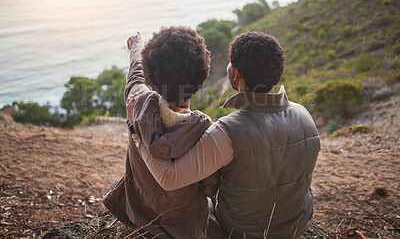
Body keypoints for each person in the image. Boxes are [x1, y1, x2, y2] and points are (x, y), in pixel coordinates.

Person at [133, 31, 321, 238]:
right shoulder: (304, 114)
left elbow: (169, 178)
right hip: (298, 224)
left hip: (241, 231)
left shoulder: (228, 131)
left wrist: (138, 138)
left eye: (230, 64)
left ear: (236, 74)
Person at [103, 26, 225, 238]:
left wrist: (136, 49)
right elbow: (210, 188)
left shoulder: (137, 104)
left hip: (138, 215)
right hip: (183, 228)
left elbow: (135, 77)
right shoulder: (205, 133)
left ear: (152, 75)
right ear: (201, 77)